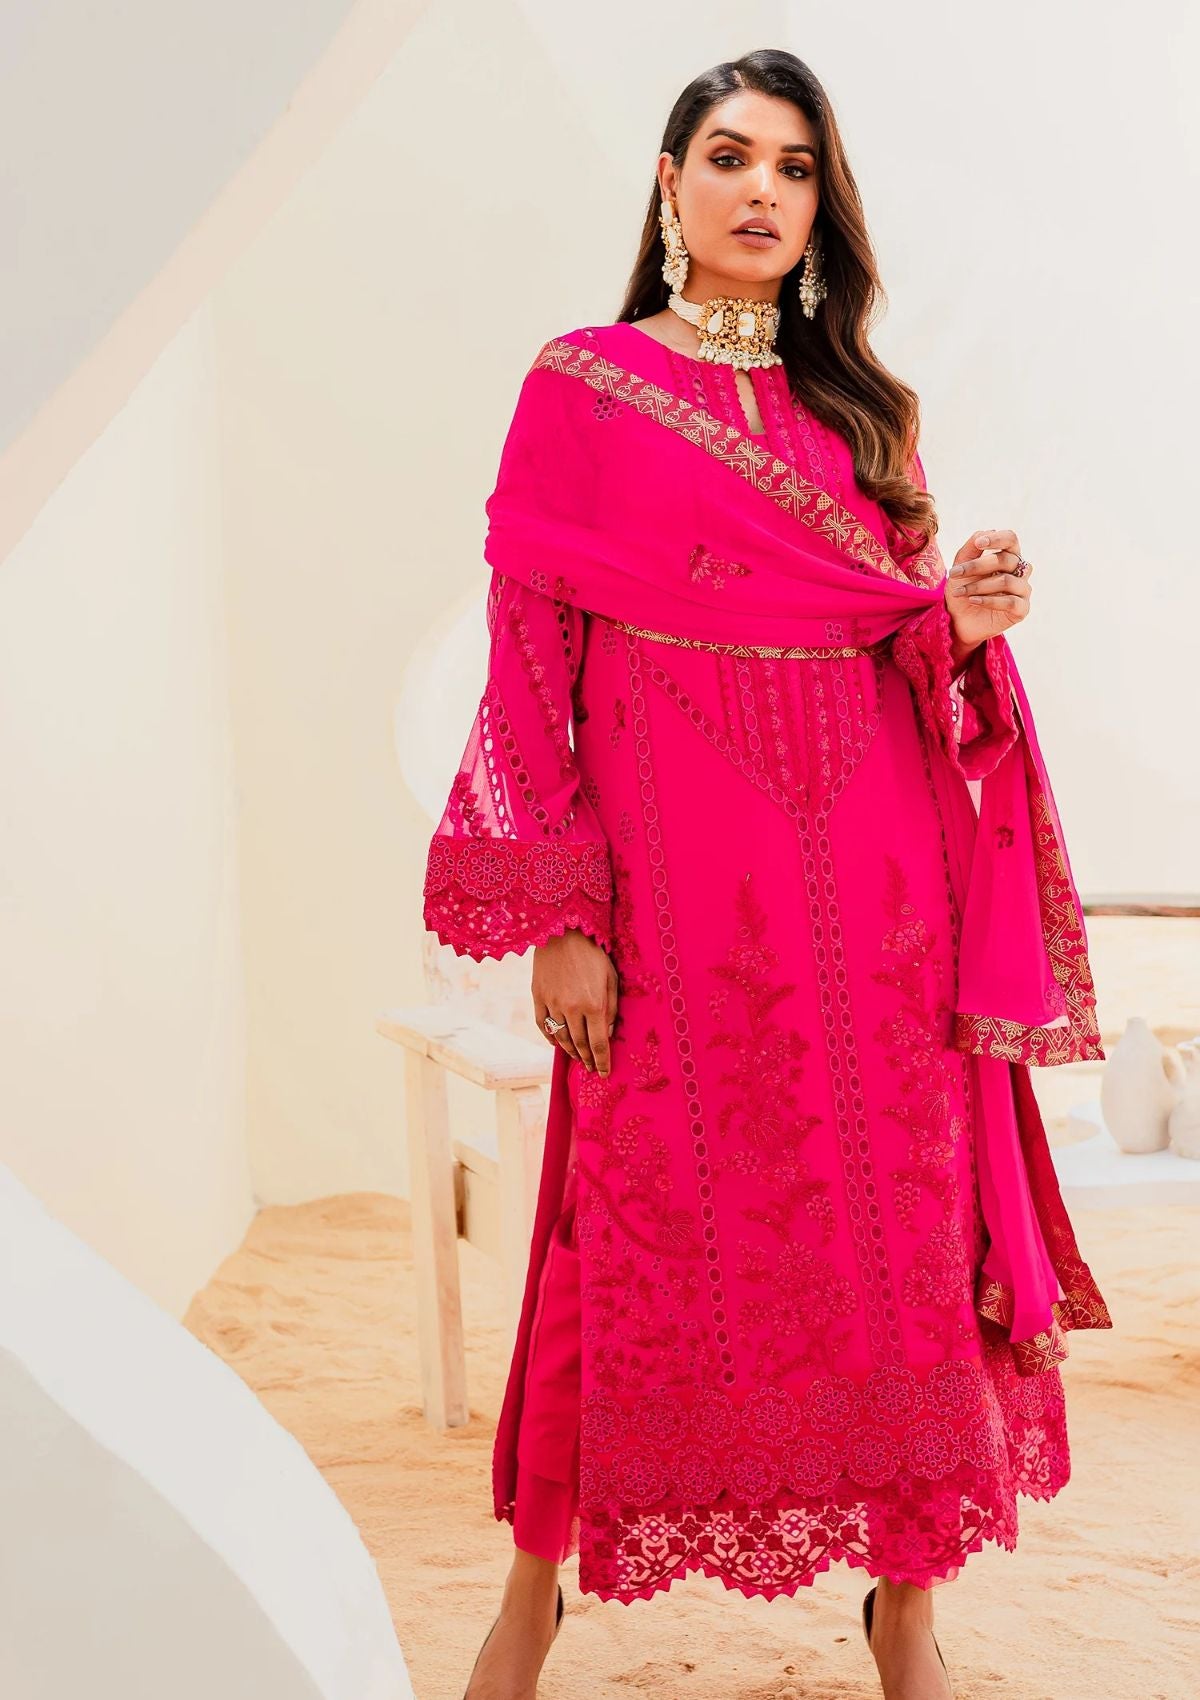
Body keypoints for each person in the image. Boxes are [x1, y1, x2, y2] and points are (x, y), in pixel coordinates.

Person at [422, 47, 1111, 1700]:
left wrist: (960, 623)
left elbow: (900, 662)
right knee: (616, 1230)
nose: (763, 191)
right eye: (731, 157)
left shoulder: (863, 415)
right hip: (673, 903)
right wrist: (565, 915)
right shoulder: (586, 386)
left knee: (902, 1243)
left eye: (795, 169)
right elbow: (529, 657)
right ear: (670, 184)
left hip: (879, 905)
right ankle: (534, 1589)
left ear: (822, 207)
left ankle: (907, 1606)